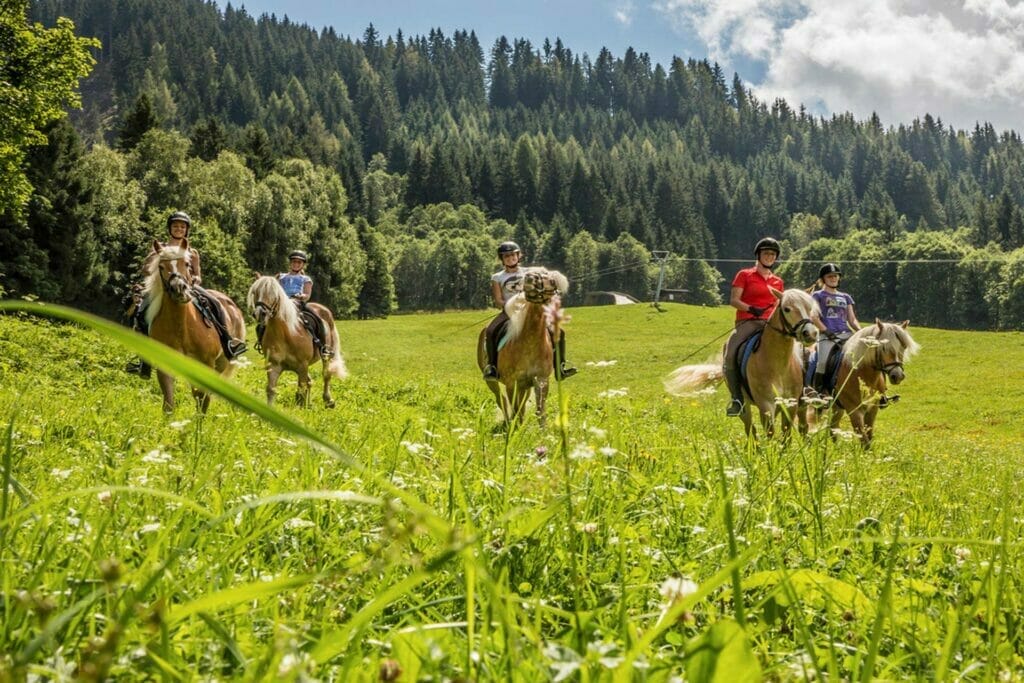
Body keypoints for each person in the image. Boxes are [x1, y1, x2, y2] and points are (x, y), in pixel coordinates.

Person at [126, 211, 246, 377]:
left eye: (182, 226)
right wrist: (155, 265)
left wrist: (195, 280)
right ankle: (144, 360)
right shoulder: (159, 248)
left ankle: (228, 343)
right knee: (140, 311)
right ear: (170, 228)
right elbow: (146, 269)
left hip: (188, 287)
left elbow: (197, 274)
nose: (179, 229)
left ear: (187, 230)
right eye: (175, 226)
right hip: (163, 289)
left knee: (216, 303)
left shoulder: (192, 252)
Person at [482, 241, 576, 381]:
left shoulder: (528, 272)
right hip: (509, 313)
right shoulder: (497, 277)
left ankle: (560, 367)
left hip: (530, 311)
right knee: (490, 331)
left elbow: (547, 274)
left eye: (513, 255)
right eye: (506, 256)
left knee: (559, 332)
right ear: (502, 259)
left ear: (519, 256)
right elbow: (498, 300)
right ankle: (492, 367)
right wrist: (511, 305)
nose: (510, 258)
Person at [722, 237, 784, 417]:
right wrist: (750, 308)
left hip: (770, 324)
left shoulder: (778, 281)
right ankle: (737, 399)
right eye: (766, 253)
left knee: (797, 351)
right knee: (731, 352)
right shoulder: (744, 275)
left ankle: (798, 392)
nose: (770, 257)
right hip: (748, 322)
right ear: (758, 255)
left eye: (773, 254)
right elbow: (734, 300)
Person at [806, 262, 861, 400]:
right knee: (823, 361)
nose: (833, 278)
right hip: (826, 336)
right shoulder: (817, 295)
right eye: (830, 276)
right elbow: (813, 316)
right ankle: (818, 391)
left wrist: (861, 332)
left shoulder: (846, 297)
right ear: (823, 279)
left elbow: (852, 319)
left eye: (836, 276)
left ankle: (877, 390)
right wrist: (825, 330)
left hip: (846, 334)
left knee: (864, 357)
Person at [265, 250, 332, 359]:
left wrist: (301, 296)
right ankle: (262, 343)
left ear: (303, 265)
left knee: (317, 319)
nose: (296, 264)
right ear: (290, 263)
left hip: (298, 304)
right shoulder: (281, 277)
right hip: (282, 305)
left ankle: (323, 347)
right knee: (264, 322)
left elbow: (307, 295)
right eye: (294, 262)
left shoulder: (305, 279)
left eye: (299, 262)